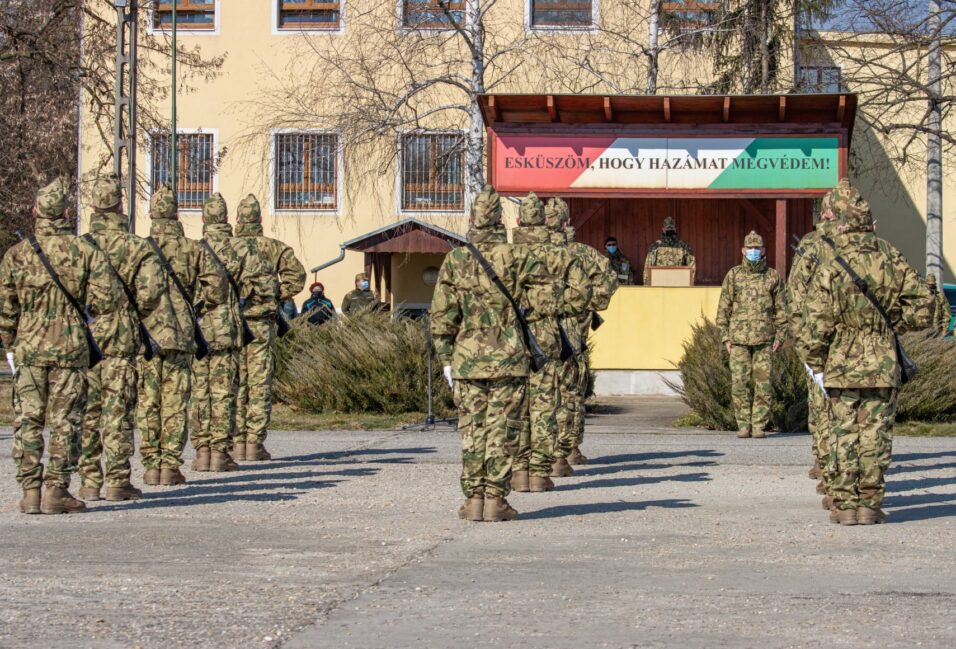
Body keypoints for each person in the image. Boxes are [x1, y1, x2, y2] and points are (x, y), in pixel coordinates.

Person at [797, 195, 933, 525]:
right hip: (882, 365)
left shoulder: (832, 263)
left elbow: (814, 326)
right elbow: (925, 305)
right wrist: (893, 325)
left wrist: (817, 361)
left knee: (844, 434)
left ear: (840, 222)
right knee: (876, 436)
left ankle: (845, 506)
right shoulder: (890, 255)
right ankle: (870, 504)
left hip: (841, 366)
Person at [0, 178, 120, 514]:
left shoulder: (16, 254)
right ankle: (56, 489)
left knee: (28, 421)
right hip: (70, 349)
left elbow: (6, 309)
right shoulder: (85, 251)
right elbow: (106, 300)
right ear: (67, 213)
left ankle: (29, 490)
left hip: (29, 349)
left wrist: (12, 340)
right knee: (66, 420)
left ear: (36, 211)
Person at [431, 186, 538, 522]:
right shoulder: (517, 256)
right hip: (508, 358)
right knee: (503, 430)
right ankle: (496, 500)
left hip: (467, 360)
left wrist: (447, 358)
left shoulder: (457, 259)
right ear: (501, 220)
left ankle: (473, 500)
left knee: (473, 431)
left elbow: (441, 316)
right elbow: (543, 303)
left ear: (471, 218)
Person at [77, 175, 183, 501]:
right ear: (121, 206)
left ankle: (89, 482)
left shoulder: (78, 247)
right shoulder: (137, 247)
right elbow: (151, 294)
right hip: (121, 338)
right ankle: (118, 480)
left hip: (85, 338)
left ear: (93, 206)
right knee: (118, 410)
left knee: (87, 412)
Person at [139, 184, 227, 486]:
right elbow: (218, 287)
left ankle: (151, 465)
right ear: (177, 214)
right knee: (176, 402)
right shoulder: (194, 249)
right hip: (180, 332)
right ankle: (170, 466)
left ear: (151, 213)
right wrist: (196, 304)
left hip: (147, 334)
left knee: (148, 401)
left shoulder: (139, 248)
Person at [511, 193, 590, 490]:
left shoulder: (505, 253)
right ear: (545, 221)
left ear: (518, 220)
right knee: (545, 406)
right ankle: (540, 473)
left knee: (517, 407)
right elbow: (582, 293)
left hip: (512, 338)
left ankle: (518, 470)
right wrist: (557, 307)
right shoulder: (561, 254)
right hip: (547, 337)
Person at [787, 179, 852, 506]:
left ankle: (829, 469)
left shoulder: (812, 245)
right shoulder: (865, 245)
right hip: (856, 343)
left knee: (823, 405)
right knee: (850, 412)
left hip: (822, 339)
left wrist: (804, 340)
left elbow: (795, 296)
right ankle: (844, 476)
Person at [232, 194, 306, 461]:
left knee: (236, 382)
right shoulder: (275, 247)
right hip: (262, 323)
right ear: (260, 220)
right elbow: (297, 278)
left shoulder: (226, 247)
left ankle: (236, 439)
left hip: (234, 323)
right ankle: (255, 444)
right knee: (260, 382)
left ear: (237, 219)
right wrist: (276, 295)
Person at [545, 198, 617, 468]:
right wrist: (586, 305)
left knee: (540, 395)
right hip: (571, 335)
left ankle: (540, 456)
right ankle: (567, 450)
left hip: (534, 337)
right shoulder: (583, 254)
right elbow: (608, 281)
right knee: (571, 393)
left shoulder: (526, 253)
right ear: (566, 223)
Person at [189, 192, 247, 473]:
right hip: (226, 330)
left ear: (203, 219)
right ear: (227, 219)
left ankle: (201, 451)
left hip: (199, 330)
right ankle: (220, 452)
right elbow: (255, 288)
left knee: (200, 393)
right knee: (224, 393)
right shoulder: (241, 250)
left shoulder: (193, 250)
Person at [716, 231, 786, 439]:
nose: (754, 251)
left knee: (763, 385)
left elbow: (782, 310)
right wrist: (724, 336)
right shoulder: (734, 275)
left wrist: (780, 336)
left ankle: (758, 426)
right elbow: (723, 308)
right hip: (738, 341)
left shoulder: (773, 276)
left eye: (758, 248)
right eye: (750, 248)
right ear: (743, 250)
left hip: (764, 341)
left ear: (764, 250)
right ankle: (743, 425)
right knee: (739, 383)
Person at [643, 217, 696, 285]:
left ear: (675, 229)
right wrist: (647, 287)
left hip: (678, 285)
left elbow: (691, 266)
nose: (669, 230)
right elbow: (647, 268)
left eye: (671, 228)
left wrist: (690, 284)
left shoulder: (683, 246)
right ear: (663, 229)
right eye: (668, 228)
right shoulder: (655, 247)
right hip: (659, 286)